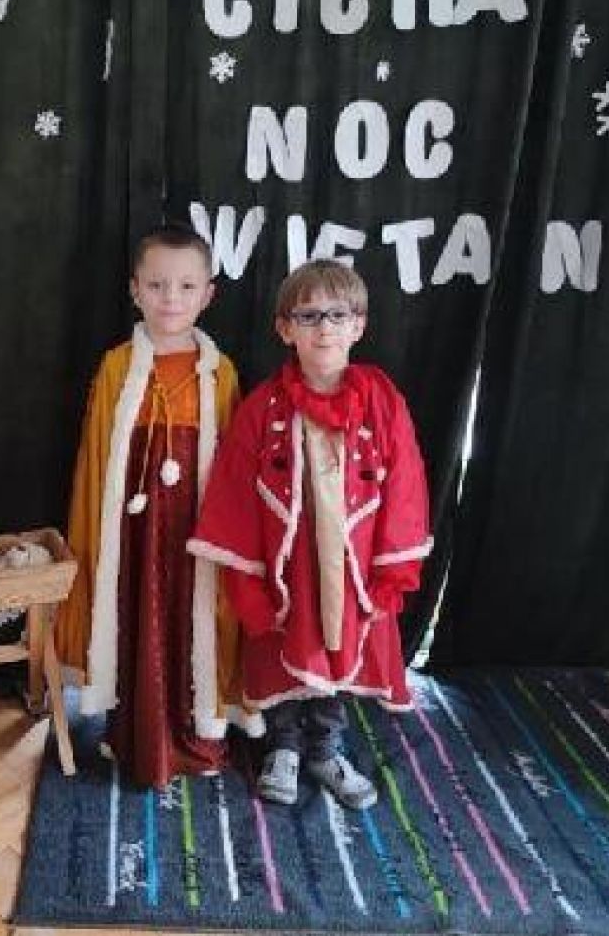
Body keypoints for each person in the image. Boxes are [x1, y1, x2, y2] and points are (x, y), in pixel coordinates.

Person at [189, 259, 431, 807]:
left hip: (351, 564)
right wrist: (248, 578)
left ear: (358, 325)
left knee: (338, 645)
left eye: (337, 315)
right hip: (288, 562)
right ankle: (284, 747)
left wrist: (392, 568)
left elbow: (406, 484)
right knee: (283, 644)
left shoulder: (383, 401)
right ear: (285, 329)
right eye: (309, 315)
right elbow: (234, 492)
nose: (324, 328)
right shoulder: (261, 408)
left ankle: (325, 748)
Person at [55, 224, 262, 789]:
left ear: (208, 294)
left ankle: (198, 735)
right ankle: (136, 733)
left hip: (197, 524)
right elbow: (97, 460)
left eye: (186, 286)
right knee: (136, 613)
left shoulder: (221, 372)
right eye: (157, 285)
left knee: (193, 619)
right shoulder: (116, 366)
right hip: (133, 526)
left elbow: (235, 466)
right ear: (135, 290)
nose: (171, 298)